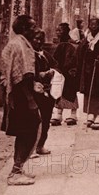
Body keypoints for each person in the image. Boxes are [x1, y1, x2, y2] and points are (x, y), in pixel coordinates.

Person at [0, 14, 41, 186]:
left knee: (27, 130)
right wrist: (30, 98)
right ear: (24, 29)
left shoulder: (21, 42)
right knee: (29, 130)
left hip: (20, 92)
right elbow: (21, 75)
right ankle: (15, 171)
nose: (35, 29)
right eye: (32, 27)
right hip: (21, 93)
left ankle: (18, 167)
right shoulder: (19, 45)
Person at [76, 17, 99, 130]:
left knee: (98, 92)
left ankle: (98, 117)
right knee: (88, 91)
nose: (93, 26)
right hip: (87, 70)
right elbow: (80, 51)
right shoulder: (87, 38)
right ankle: (90, 115)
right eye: (91, 24)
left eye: (95, 25)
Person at [30, 28, 58, 156]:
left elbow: (55, 65)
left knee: (46, 119)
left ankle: (40, 145)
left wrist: (52, 72)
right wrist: (40, 75)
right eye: (36, 38)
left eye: (41, 38)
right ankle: (31, 147)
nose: (38, 41)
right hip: (34, 92)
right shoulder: (29, 55)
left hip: (48, 92)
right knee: (34, 120)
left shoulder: (45, 54)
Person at [51, 22, 79, 126]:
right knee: (59, 91)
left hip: (70, 72)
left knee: (71, 92)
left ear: (66, 32)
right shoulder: (58, 43)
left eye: (60, 31)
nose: (58, 33)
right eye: (57, 31)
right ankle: (58, 114)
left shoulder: (71, 44)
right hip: (60, 71)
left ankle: (73, 114)